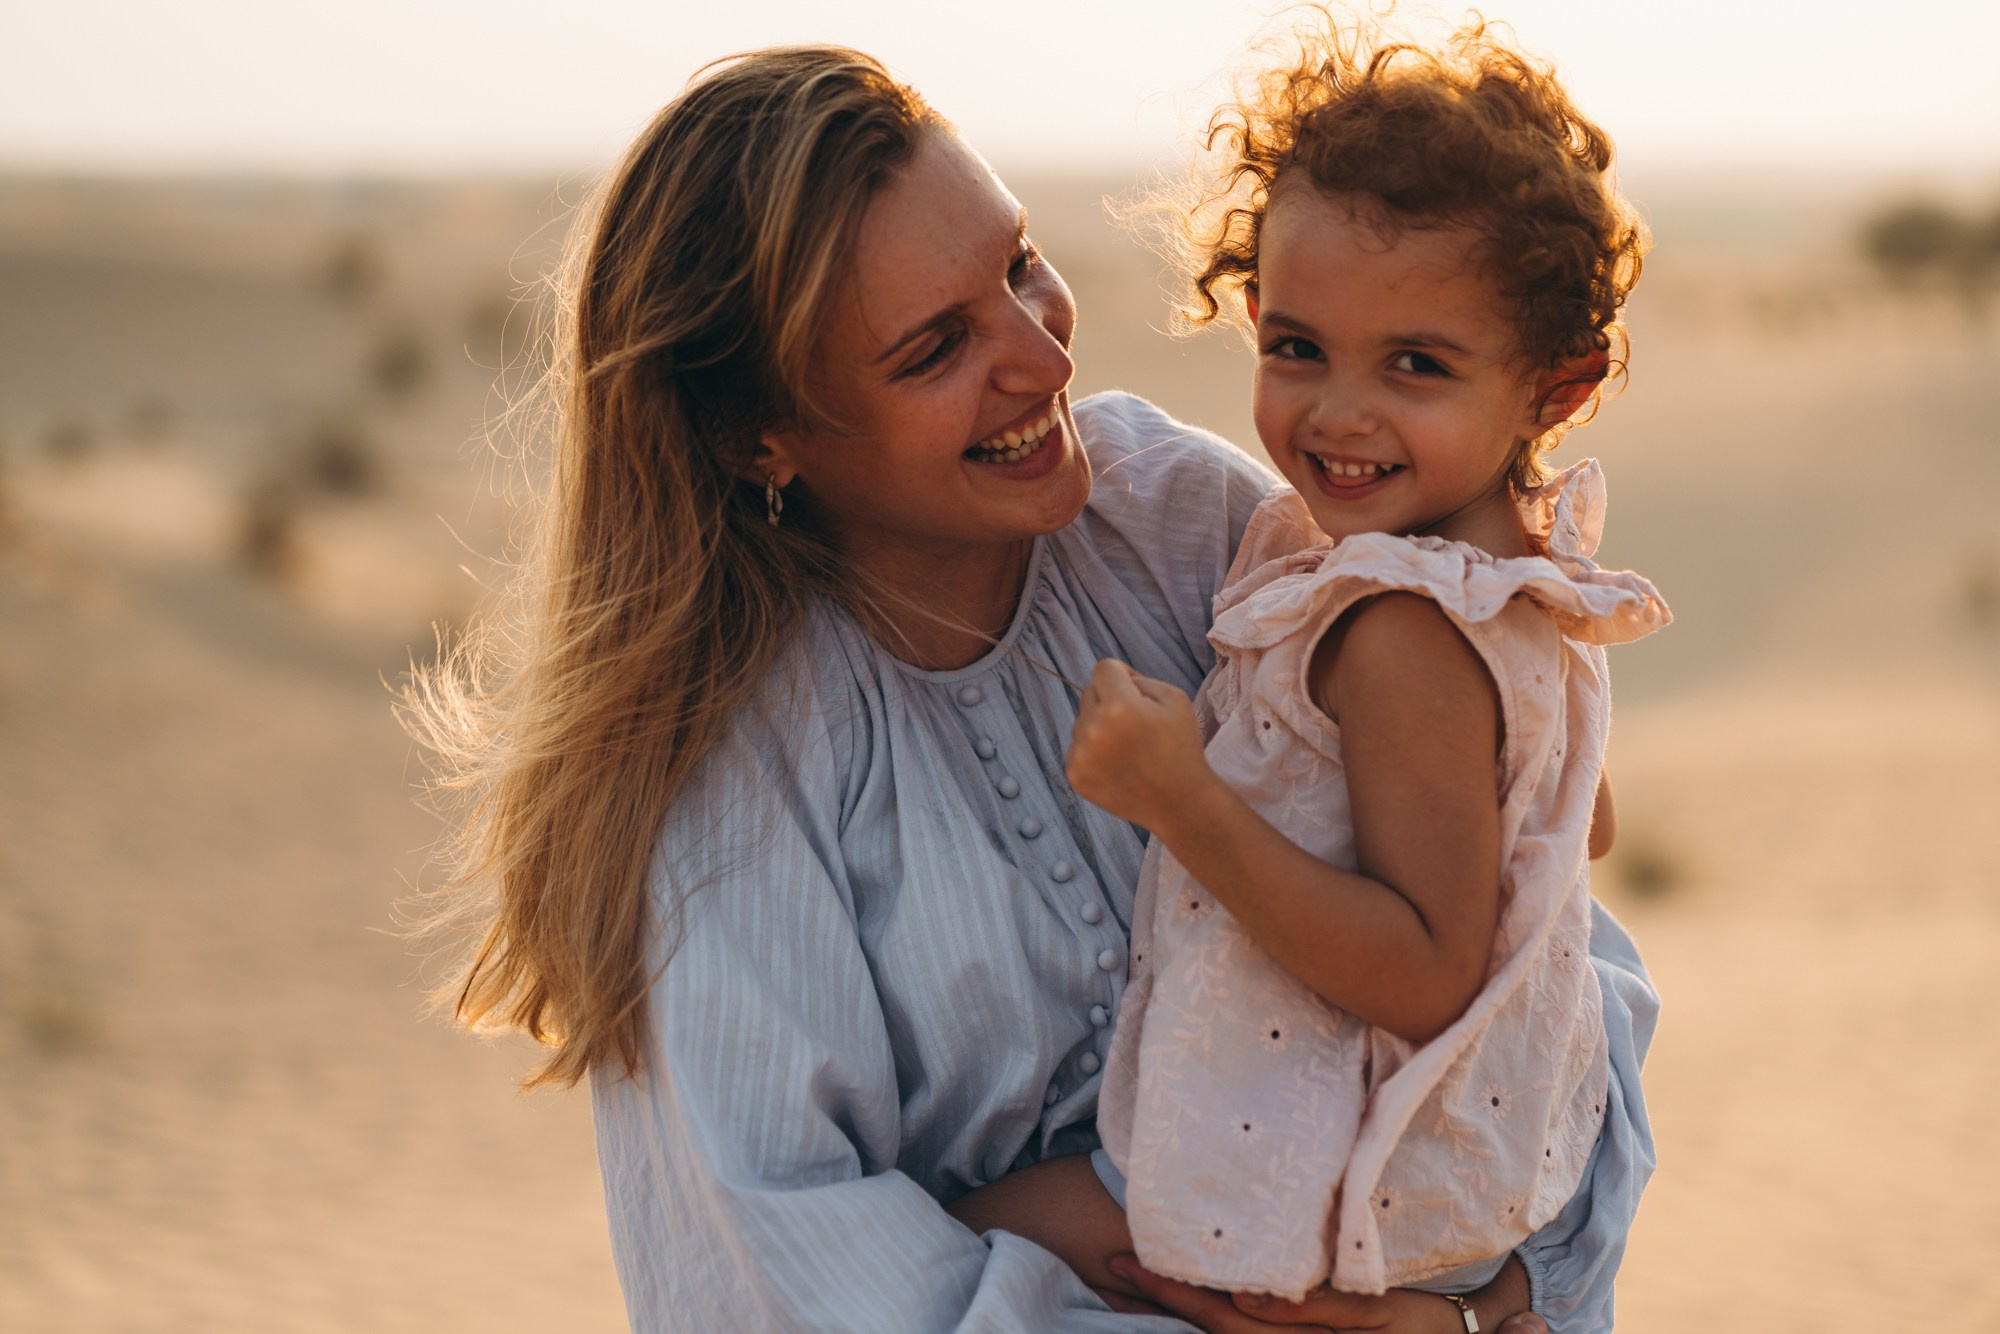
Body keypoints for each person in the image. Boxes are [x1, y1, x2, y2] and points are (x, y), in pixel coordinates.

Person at [403, 41, 1658, 1334]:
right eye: (937, 347)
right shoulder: (734, 768)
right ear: (757, 437)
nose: (1043, 360)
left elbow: (1548, 975)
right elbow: (790, 1276)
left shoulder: (1189, 524)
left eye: (1019, 266)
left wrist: (1493, 1302)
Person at [942, 14, 1668, 1321]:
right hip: (1448, 1179)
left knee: (949, 1240)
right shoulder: (1524, 583)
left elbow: (1429, 972)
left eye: (1417, 365)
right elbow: (1576, 821)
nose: (1338, 410)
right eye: (1297, 347)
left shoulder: (1401, 626)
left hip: (1330, 1173)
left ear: (1555, 390)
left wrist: (1181, 798)